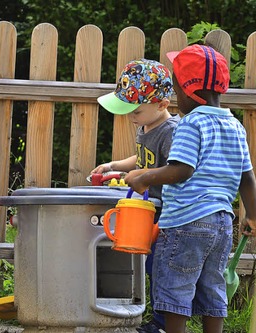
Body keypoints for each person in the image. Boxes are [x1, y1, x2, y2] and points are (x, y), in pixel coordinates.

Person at [125, 44, 256, 333]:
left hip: (186, 222)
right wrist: (253, 215)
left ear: (188, 92)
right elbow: (247, 176)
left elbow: (181, 171)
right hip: (222, 223)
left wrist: (144, 177)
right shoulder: (235, 125)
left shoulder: (190, 124)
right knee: (212, 286)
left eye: (176, 90)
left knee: (175, 287)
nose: (174, 97)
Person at [91, 58, 178, 333]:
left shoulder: (171, 131)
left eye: (136, 111)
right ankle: (153, 315)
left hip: (168, 211)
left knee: (162, 266)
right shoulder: (146, 126)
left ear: (162, 105)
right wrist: (113, 165)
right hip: (148, 207)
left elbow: (177, 169)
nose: (131, 117)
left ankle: (163, 323)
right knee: (148, 263)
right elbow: (141, 159)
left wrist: (144, 177)